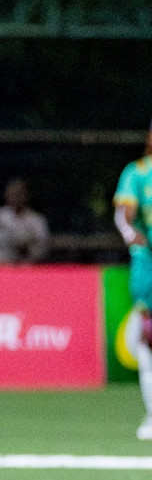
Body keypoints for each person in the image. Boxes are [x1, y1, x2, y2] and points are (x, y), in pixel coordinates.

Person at [113, 130, 152, 439]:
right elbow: (124, 216)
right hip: (148, 264)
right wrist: (132, 233)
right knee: (148, 338)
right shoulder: (138, 172)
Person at [0, 178, 50, 264]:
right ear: (7, 195)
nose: (17, 197)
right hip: (3, 266)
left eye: (20, 194)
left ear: (27, 195)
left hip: (30, 265)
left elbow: (44, 246)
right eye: (13, 194)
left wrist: (27, 248)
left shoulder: (37, 220)